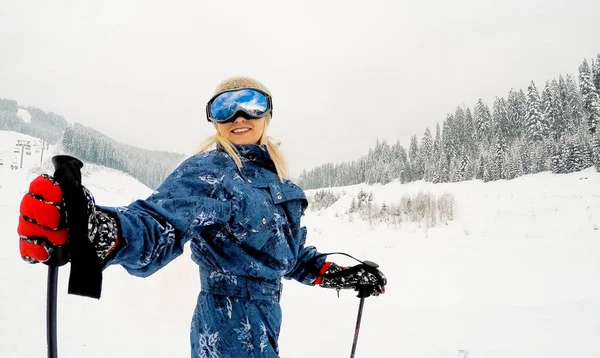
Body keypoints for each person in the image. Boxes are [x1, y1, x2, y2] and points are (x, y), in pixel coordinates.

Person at [17, 76, 387, 358]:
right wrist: (99, 229)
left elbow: (290, 258)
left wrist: (339, 274)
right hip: (225, 322)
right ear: (214, 121)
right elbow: (158, 223)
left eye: (251, 104)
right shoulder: (211, 171)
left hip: (266, 320)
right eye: (225, 108)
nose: (239, 115)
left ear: (267, 115)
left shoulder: (279, 182)